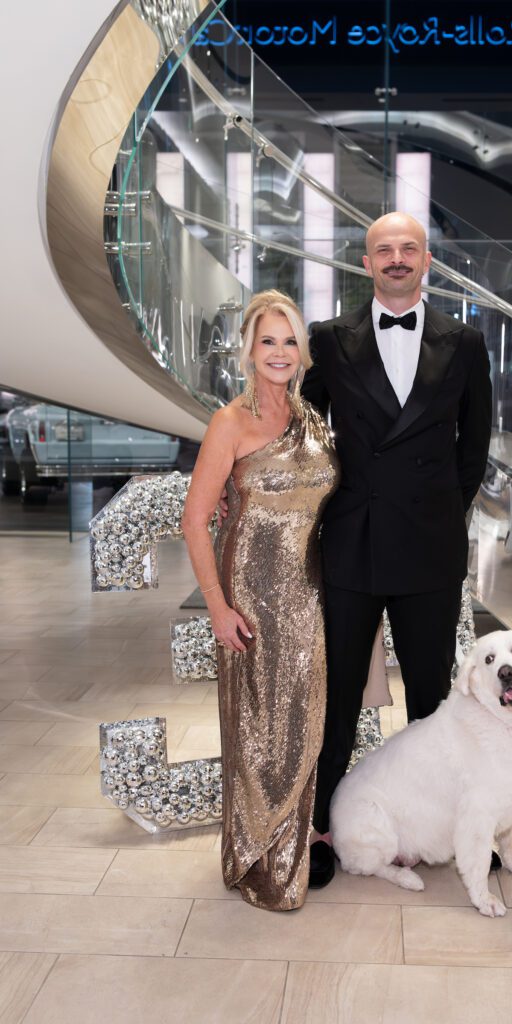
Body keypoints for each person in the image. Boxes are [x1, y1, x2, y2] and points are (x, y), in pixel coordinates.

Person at [301, 212, 493, 887]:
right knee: (338, 696)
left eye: (407, 248)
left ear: (427, 260)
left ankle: (440, 828)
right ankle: (323, 831)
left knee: (433, 698)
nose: (396, 258)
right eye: (383, 249)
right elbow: (303, 432)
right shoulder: (327, 340)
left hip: (428, 546)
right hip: (352, 538)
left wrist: (436, 509)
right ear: (365, 262)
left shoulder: (464, 342)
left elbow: (472, 450)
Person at [181, 290, 339, 911]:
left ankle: (293, 848)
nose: (279, 352)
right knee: (257, 728)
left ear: (302, 353)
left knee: (305, 726)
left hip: (312, 590)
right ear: (249, 350)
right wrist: (217, 607)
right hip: (251, 593)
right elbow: (197, 520)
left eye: (289, 340)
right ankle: (256, 857)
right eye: (268, 340)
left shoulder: (313, 417)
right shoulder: (230, 422)